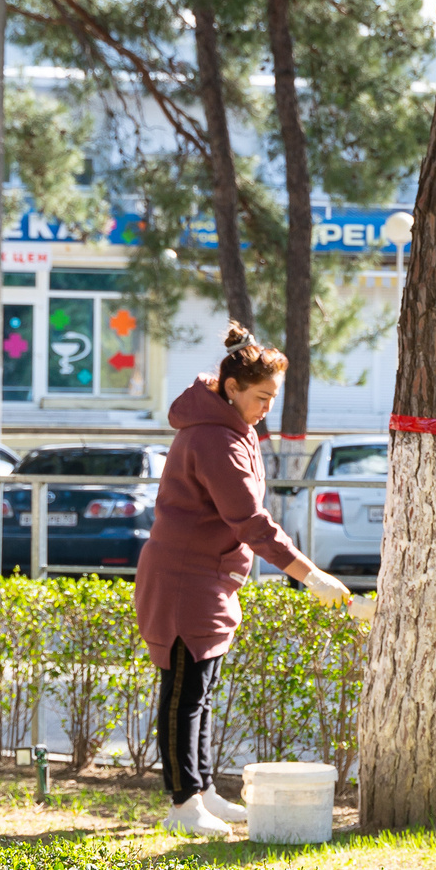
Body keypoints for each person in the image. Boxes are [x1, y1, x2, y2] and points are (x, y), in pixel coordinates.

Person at [136, 324, 351, 838]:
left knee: (200, 695)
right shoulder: (215, 438)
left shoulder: (232, 428)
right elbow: (250, 523)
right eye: (260, 396)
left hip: (206, 579)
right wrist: (310, 574)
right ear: (230, 389)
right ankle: (183, 802)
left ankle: (203, 789)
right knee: (182, 697)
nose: (266, 408)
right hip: (185, 581)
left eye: (271, 397)